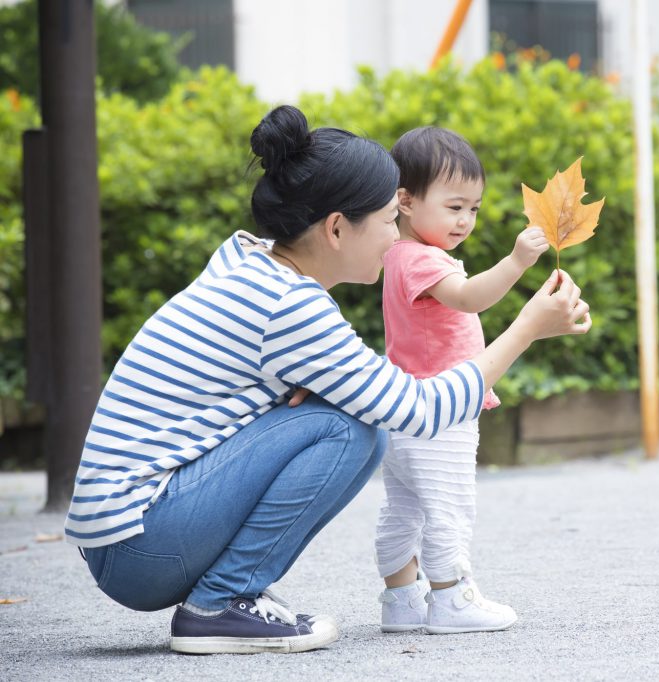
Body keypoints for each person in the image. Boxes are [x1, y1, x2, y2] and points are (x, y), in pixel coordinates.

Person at [64, 105, 591, 655]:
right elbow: (418, 410)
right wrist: (528, 328)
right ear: (337, 227)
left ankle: (228, 600)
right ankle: (221, 603)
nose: (397, 239)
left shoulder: (251, 260)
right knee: (354, 431)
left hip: (125, 537)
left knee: (345, 414)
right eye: (390, 220)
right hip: (141, 547)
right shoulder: (290, 305)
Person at [373, 127, 548, 635]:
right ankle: (450, 598)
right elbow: (470, 297)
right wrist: (517, 262)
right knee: (450, 506)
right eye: (454, 207)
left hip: (404, 412)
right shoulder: (422, 260)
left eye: (472, 208)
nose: (466, 221)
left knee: (404, 510)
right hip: (440, 413)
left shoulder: (397, 255)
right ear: (405, 200)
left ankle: (402, 598)